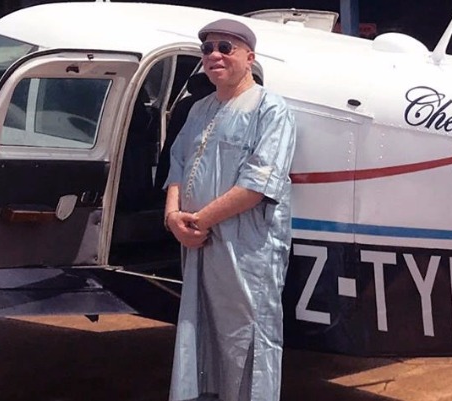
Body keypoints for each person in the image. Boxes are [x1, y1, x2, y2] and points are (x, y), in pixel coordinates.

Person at [163, 18, 297, 401]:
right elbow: (177, 165)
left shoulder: (271, 110)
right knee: (199, 331)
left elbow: (258, 185)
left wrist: (197, 221)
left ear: (249, 58)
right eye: (208, 49)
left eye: (226, 47)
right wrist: (172, 218)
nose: (215, 56)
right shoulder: (198, 110)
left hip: (247, 252)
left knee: (248, 338)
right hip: (198, 246)